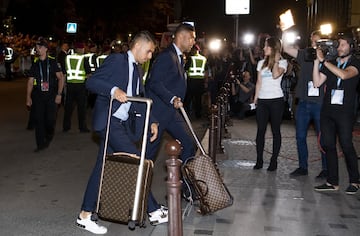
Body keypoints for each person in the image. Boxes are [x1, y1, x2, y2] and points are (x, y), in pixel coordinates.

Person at [76, 31, 162, 234]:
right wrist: (113, 89)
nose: (150, 56)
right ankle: (154, 210)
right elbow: (91, 81)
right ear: (139, 46)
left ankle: (85, 215)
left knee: (102, 168)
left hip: (120, 124)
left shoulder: (138, 69)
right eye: (149, 51)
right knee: (136, 161)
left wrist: (153, 121)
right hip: (109, 121)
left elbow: (139, 99)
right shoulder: (117, 60)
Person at [313, 31, 360, 194]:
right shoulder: (331, 62)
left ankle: (355, 181)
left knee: (346, 145)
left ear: (351, 46)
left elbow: (345, 75)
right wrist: (316, 61)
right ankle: (332, 182)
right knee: (328, 144)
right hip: (328, 110)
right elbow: (317, 83)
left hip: (345, 112)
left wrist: (324, 62)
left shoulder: (355, 63)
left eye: (343, 44)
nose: (339, 47)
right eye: (338, 44)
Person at [145, 23, 196, 164]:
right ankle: (140, 185)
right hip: (159, 113)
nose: (194, 42)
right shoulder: (167, 56)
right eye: (191, 38)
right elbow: (154, 83)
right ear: (181, 37)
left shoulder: (178, 57)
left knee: (189, 145)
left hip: (171, 113)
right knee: (148, 155)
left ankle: (185, 185)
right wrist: (172, 98)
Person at [283, 30, 328, 178]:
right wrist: (285, 31)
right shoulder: (305, 54)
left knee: (322, 137)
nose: (314, 45)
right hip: (303, 102)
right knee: (300, 136)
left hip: (319, 103)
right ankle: (303, 167)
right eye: (313, 41)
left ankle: (326, 168)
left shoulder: (328, 57)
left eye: (318, 42)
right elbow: (286, 49)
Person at [253, 37, 287, 171]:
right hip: (262, 100)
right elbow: (259, 82)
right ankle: (259, 160)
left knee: (275, 131)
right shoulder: (261, 62)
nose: (263, 48)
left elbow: (275, 75)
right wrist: (255, 98)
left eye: (266, 46)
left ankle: (274, 161)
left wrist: (276, 61)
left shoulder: (283, 62)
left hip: (276, 100)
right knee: (260, 131)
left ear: (273, 48)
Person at [25, 37, 64, 152]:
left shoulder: (52, 62)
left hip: (51, 95)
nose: (38, 49)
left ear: (46, 49)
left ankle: (49, 134)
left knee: (50, 120)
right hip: (38, 96)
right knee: (39, 120)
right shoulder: (35, 64)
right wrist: (28, 97)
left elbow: (61, 78)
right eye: (37, 47)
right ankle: (40, 143)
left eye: (40, 47)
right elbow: (30, 82)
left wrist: (59, 94)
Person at [63, 42, 91, 133]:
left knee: (68, 107)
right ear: (81, 49)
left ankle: (66, 126)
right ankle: (82, 127)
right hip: (81, 86)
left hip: (70, 85)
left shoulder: (68, 58)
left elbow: (64, 71)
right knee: (81, 108)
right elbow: (88, 73)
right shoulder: (84, 58)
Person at [184, 44, 207, 118]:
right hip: (200, 81)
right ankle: (198, 114)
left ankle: (185, 114)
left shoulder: (191, 58)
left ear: (194, 50)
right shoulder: (204, 59)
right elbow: (206, 71)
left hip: (191, 81)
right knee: (198, 99)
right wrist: (206, 81)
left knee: (188, 98)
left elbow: (185, 69)